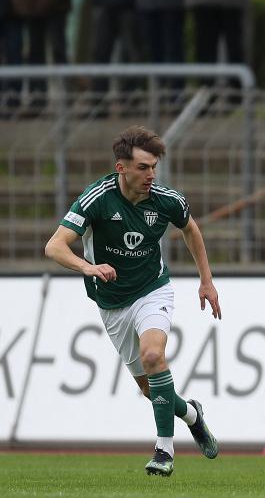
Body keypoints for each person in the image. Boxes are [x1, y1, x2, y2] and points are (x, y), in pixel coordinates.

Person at [44, 125, 221, 477]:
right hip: (111, 303)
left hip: (152, 288)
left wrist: (206, 281)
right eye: (143, 167)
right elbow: (54, 246)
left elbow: (190, 229)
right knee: (149, 388)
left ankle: (164, 451)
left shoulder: (167, 199)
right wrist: (88, 266)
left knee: (154, 355)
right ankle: (192, 415)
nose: (151, 175)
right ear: (121, 167)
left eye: (154, 167)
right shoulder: (97, 198)